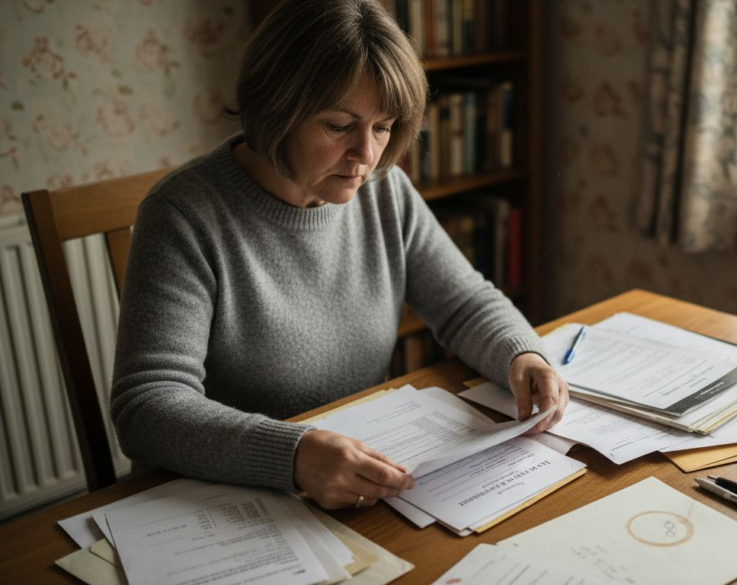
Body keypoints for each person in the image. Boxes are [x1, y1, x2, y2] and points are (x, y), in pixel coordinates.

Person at [111, 0, 568, 510]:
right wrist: (293, 454)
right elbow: (147, 408)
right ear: (274, 107)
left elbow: (463, 302)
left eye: (384, 126)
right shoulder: (183, 214)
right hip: (213, 501)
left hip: (350, 488)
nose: (366, 155)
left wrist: (522, 353)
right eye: (338, 126)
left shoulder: (382, 188)